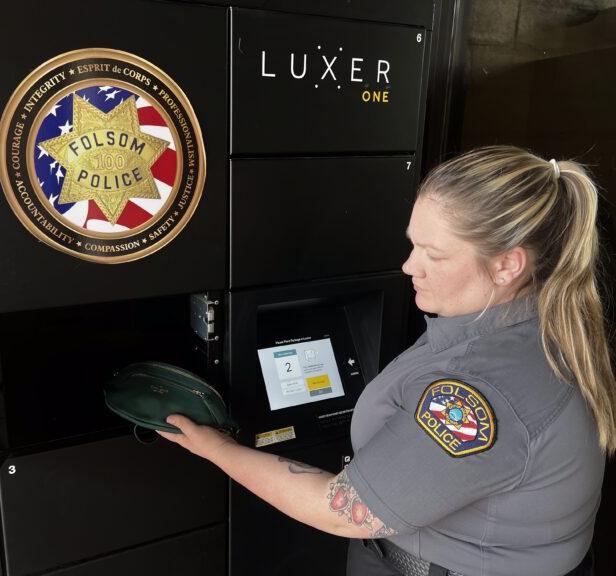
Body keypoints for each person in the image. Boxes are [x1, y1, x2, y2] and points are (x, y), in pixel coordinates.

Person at [158, 146, 616, 576]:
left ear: (507, 265)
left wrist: (214, 448)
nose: (408, 266)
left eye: (433, 254)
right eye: (414, 244)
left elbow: (342, 511)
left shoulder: (481, 389)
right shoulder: (546, 324)